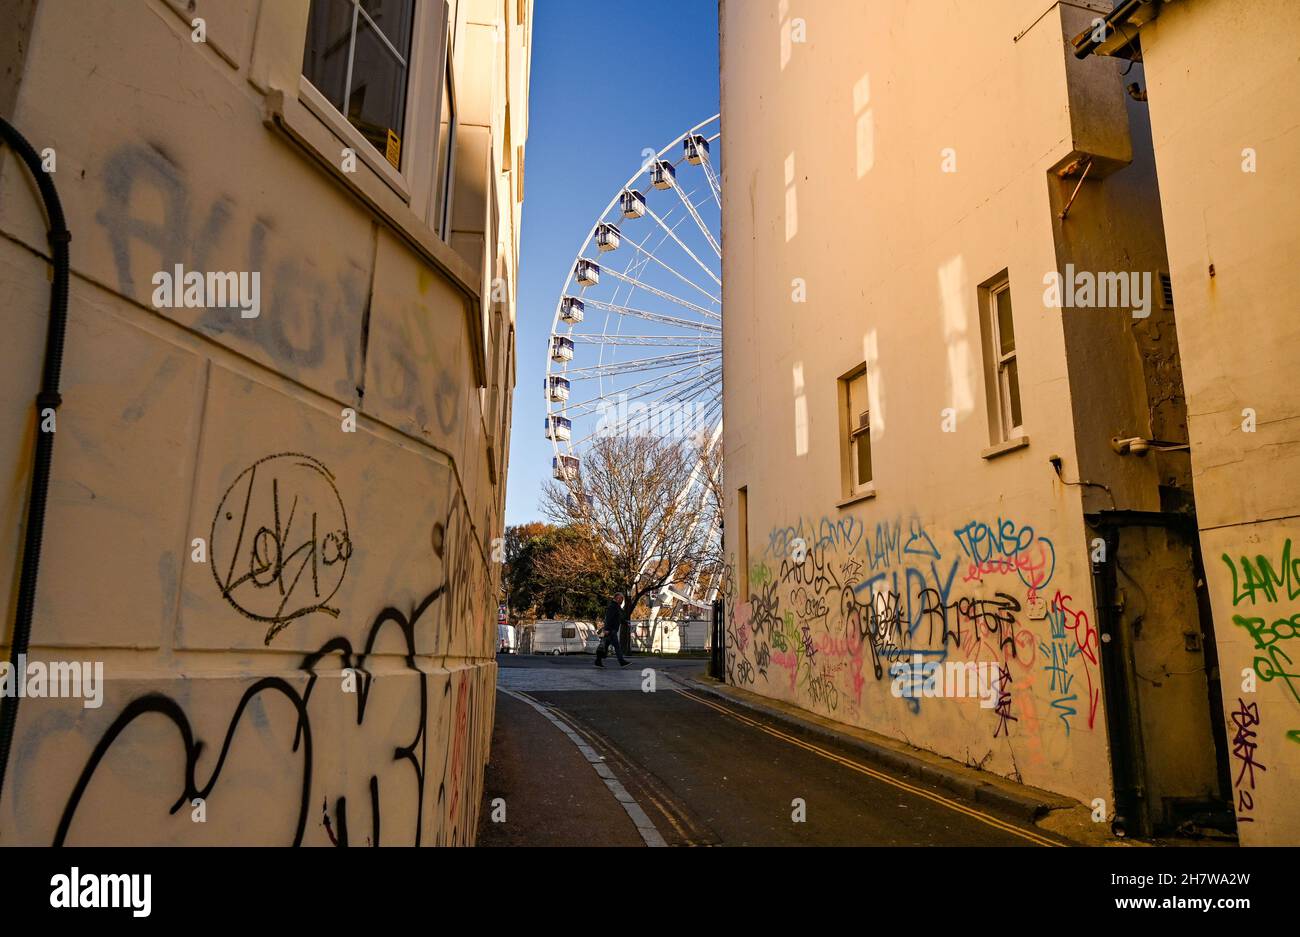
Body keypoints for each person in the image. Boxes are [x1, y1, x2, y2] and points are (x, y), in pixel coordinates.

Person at [595, 592, 631, 667]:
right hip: (611, 630)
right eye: (621, 599)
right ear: (617, 598)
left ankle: (598, 661)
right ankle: (621, 661)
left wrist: (625, 622)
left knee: (604, 645)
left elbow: (618, 618)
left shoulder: (616, 606)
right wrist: (607, 629)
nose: (622, 600)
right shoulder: (612, 606)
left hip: (611, 630)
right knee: (617, 647)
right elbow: (608, 618)